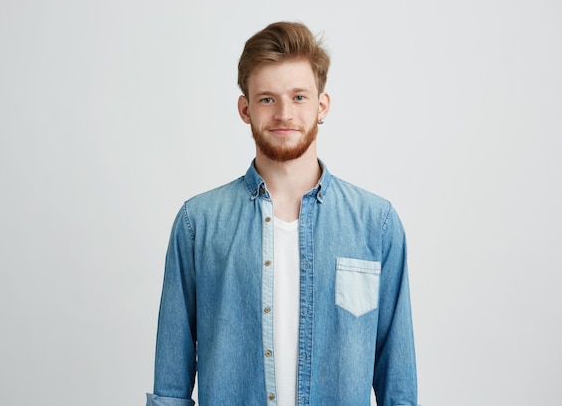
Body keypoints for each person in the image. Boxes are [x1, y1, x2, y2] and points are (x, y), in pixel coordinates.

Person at [146, 21, 418, 406]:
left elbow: (399, 386)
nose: (284, 113)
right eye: (268, 99)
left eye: (299, 97)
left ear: (322, 105)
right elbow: (170, 387)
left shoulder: (377, 224)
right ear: (245, 109)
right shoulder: (198, 224)